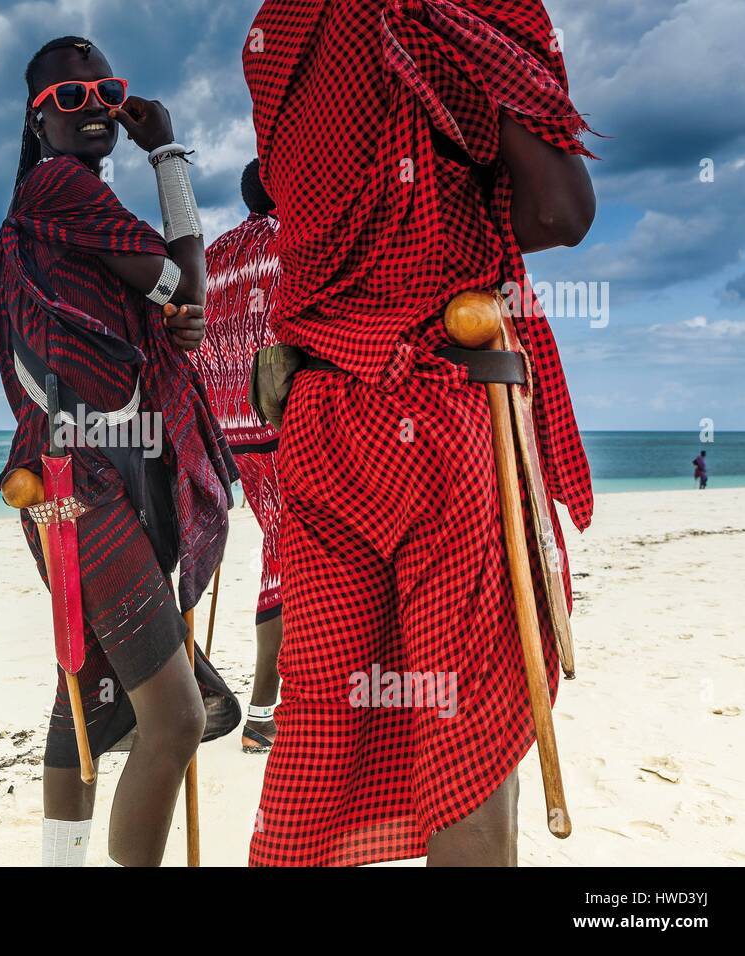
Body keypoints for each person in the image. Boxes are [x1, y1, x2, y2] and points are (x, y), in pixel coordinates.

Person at [242, 0, 597, 866]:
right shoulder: (450, 11)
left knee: (322, 725)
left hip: (322, 418)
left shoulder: (273, 33)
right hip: (439, 400)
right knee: (466, 734)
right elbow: (558, 215)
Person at [0, 36, 241, 866]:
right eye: (70, 97)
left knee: (90, 695)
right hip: (85, 477)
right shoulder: (60, 187)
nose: (94, 106)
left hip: (68, 471)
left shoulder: (60, 210)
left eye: (107, 90)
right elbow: (185, 285)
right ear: (38, 119)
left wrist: (171, 309)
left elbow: (173, 301)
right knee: (173, 718)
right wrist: (166, 150)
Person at [188, 159, 284, 753]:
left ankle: (274, 707)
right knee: (289, 558)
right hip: (289, 422)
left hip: (229, 429)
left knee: (284, 550)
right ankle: (264, 713)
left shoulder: (219, 254)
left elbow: (190, 338)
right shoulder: (294, 242)